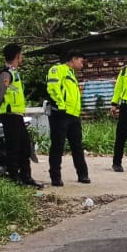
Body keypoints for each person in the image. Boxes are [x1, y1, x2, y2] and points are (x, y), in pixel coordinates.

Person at [0, 43, 40, 187]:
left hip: (17, 115)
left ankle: (26, 176)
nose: (23, 57)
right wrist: (0, 111)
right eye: (21, 54)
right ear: (17, 56)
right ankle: (14, 177)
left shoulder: (14, 73)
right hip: (9, 115)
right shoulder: (6, 73)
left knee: (25, 146)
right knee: (13, 147)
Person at [46, 49, 90, 187]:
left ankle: (83, 174)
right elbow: (53, 87)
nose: (82, 65)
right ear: (74, 59)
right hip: (61, 114)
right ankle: (55, 177)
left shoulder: (72, 75)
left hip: (73, 115)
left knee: (77, 146)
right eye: (81, 61)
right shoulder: (58, 69)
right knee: (58, 146)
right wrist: (61, 106)